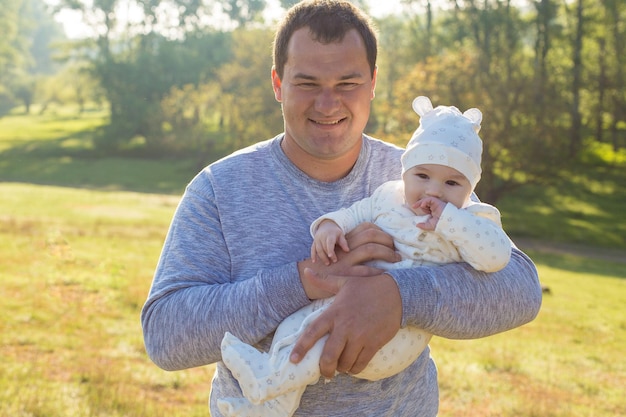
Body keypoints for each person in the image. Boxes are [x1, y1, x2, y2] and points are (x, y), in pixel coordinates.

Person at [140, 1, 543, 416]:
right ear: (278, 83)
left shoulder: (422, 176)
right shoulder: (220, 189)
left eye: (347, 83)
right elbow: (165, 335)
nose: (328, 104)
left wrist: (398, 296)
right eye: (308, 83)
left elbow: (520, 289)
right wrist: (305, 280)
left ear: (372, 83)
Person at [217, 96, 513, 417]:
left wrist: (451, 220)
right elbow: (357, 211)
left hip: (393, 337)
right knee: (299, 327)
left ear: (470, 187)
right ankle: (271, 403)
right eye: (422, 176)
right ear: (406, 171)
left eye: (452, 182)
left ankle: (268, 380)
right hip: (343, 296)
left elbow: (496, 257)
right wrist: (331, 226)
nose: (434, 192)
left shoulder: (472, 217)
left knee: (320, 340)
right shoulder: (390, 195)